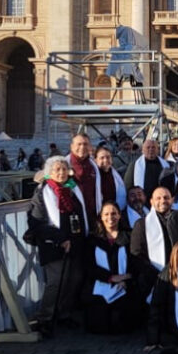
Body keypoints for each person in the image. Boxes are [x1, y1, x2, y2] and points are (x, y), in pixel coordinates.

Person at [26, 156, 89, 335]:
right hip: (53, 243)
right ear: (49, 173)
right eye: (57, 170)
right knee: (55, 282)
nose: (61, 173)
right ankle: (45, 317)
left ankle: (64, 313)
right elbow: (37, 221)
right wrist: (61, 238)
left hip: (75, 241)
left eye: (64, 169)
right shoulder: (42, 192)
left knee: (73, 279)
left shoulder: (72, 188)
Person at [129, 187, 178, 301]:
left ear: (172, 200)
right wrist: (160, 276)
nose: (162, 201)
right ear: (151, 202)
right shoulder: (141, 224)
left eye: (166, 197)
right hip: (152, 279)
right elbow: (136, 253)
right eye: (158, 198)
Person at [83, 202, 137, 334]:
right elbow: (88, 265)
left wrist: (127, 278)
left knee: (122, 323)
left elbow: (136, 261)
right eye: (106, 214)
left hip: (125, 284)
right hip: (101, 283)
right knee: (100, 325)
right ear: (101, 217)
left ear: (119, 216)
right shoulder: (93, 239)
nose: (110, 217)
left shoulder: (129, 236)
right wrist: (110, 278)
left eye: (114, 213)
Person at [68, 134, 100, 227]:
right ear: (72, 146)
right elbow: (47, 175)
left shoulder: (93, 165)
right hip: (73, 214)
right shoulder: (64, 164)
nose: (82, 147)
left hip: (92, 214)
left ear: (90, 147)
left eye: (85, 144)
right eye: (79, 144)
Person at [95, 147, 127, 213]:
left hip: (114, 211)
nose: (105, 160)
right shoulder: (92, 175)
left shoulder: (116, 175)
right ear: (96, 160)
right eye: (102, 158)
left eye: (108, 157)